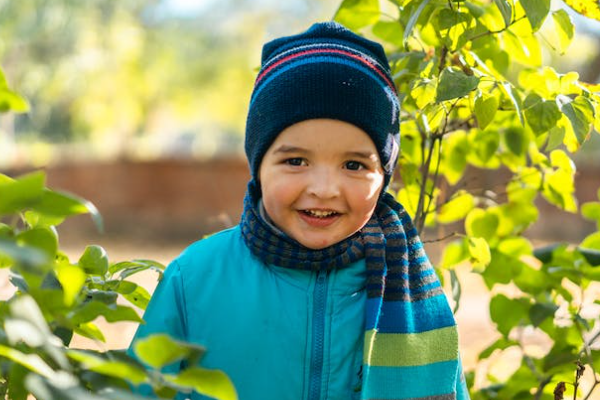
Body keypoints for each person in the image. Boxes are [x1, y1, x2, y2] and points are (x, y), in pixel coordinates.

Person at [128, 21, 469, 400]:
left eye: (354, 165)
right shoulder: (194, 279)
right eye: (295, 161)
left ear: (384, 176)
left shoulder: (410, 292)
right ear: (258, 166)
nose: (324, 190)